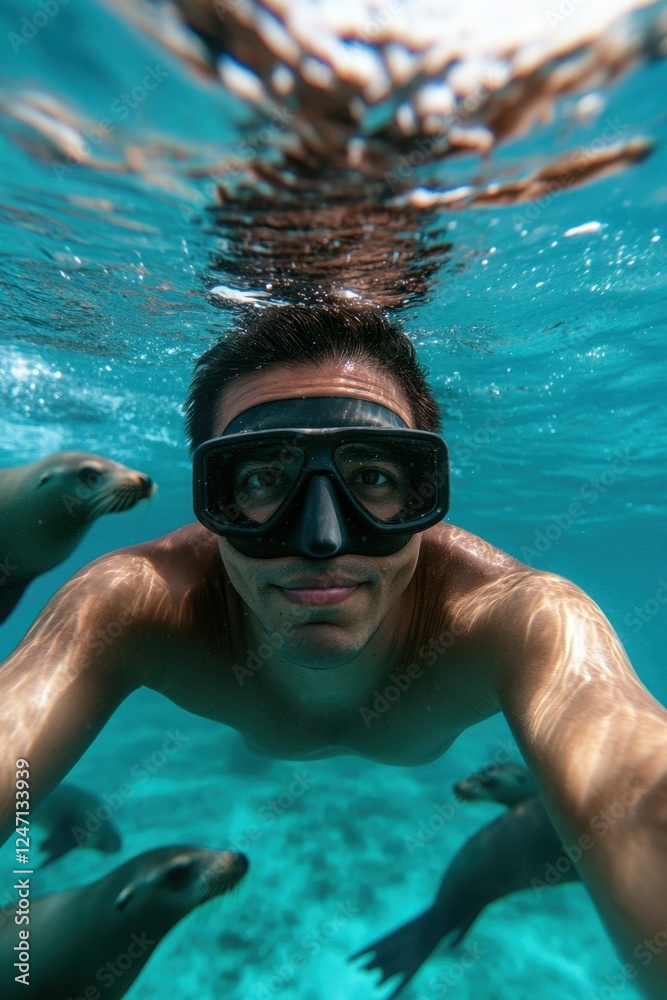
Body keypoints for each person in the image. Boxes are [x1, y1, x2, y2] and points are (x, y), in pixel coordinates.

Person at [1, 303, 666, 996]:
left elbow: (641, 787)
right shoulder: (131, 605)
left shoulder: (519, 618)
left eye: (373, 477)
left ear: (425, 491)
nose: (322, 540)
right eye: (261, 479)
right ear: (211, 498)